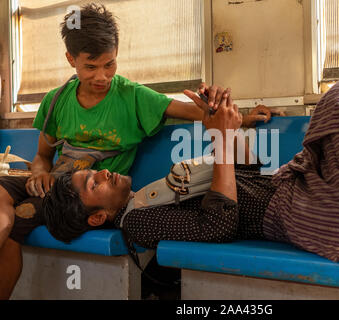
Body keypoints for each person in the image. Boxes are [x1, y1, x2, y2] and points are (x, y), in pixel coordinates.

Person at [0, 3, 276, 299]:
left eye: (110, 65)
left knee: (20, 220)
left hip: (81, 200)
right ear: (71, 59)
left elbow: (197, 112)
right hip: (54, 181)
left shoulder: (133, 97)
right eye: (90, 67)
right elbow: (42, 155)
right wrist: (40, 173)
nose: (102, 76)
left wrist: (244, 117)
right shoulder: (56, 101)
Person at [42, 78, 339, 271]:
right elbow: (220, 224)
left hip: (293, 178)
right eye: (91, 184)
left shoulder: (150, 190)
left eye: (94, 172)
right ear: (97, 217)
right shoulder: (140, 221)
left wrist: (225, 125)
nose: (102, 173)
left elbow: (247, 171)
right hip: (289, 214)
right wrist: (220, 141)